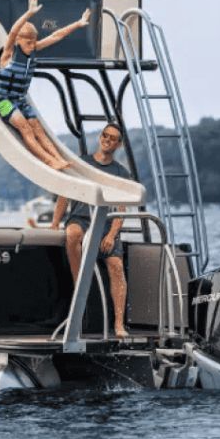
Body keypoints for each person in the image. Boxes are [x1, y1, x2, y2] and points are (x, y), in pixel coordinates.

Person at [50, 122, 133, 338]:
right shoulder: (82, 164)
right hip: (81, 218)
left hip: (106, 223)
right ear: (100, 137)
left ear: (118, 144)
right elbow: (64, 195)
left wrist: (112, 235)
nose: (107, 140)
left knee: (116, 265)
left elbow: (121, 210)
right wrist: (54, 224)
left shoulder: (120, 173)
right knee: (73, 235)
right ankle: (81, 286)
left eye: (112, 138)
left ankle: (118, 324)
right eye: (105, 135)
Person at [0, 0, 90, 170]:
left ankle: (57, 158)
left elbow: (56, 36)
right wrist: (29, 13)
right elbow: (14, 31)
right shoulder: (8, 54)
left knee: (39, 130)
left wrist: (78, 24)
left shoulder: (34, 49)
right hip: (2, 102)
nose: (32, 43)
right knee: (25, 127)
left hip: (21, 101)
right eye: (27, 40)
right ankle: (49, 161)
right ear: (17, 40)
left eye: (34, 40)